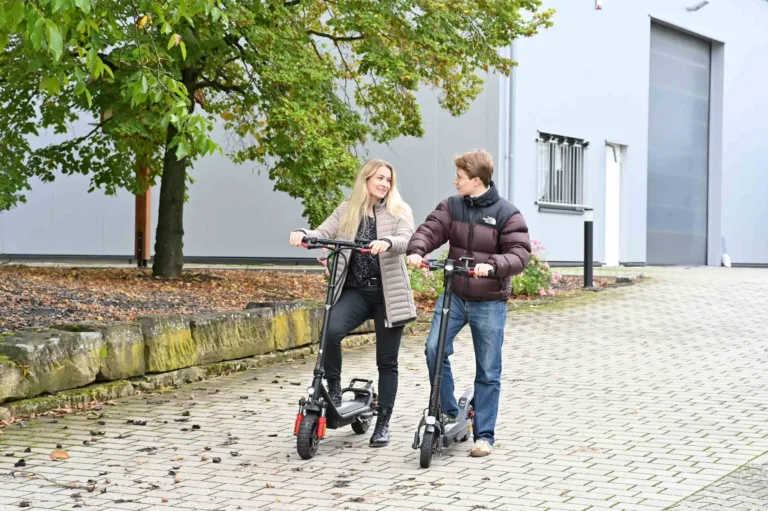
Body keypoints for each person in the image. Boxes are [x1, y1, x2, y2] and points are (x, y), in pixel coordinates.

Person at [406, 149, 531, 457]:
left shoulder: (507, 214)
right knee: (434, 348)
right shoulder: (452, 206)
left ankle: (484, 435)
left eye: (460, 178)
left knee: (488, 370)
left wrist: (495, 265)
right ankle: (449, 411)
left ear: (476, 180)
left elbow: (519, 253)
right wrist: (417, 249)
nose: (455, 181)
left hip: (489, 301)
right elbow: (431, 229)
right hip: (455, 295)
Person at [289, 159, 417, 448]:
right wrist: (303, 235)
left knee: (387, 361)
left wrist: (387, 241)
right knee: (331, 331)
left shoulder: (399, 210)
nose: (384, 184)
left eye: (388, 180)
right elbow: (322, 232)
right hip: (357, 292)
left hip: (387, 294)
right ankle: (334, 388)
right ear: (366, 179)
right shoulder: (348, 209)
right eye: (380, 178)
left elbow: (406, 239)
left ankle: (383, 422)